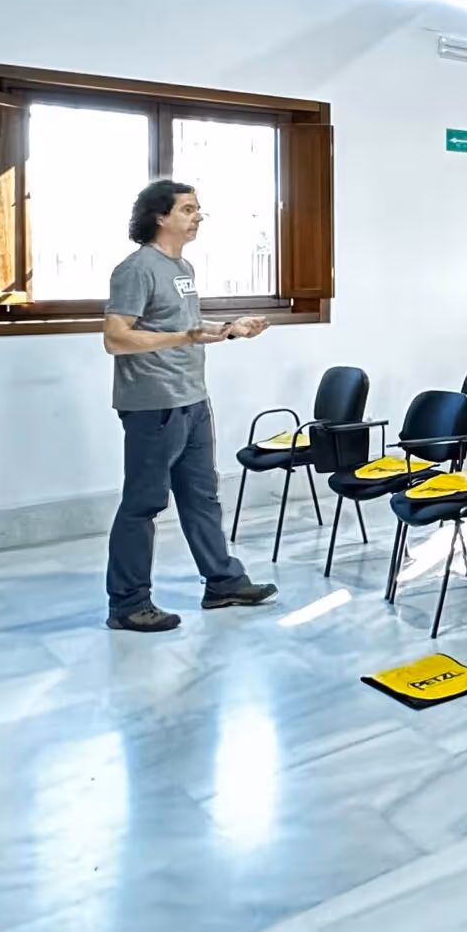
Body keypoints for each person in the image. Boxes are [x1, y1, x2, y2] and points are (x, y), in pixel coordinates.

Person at [99, 181, 281, 632]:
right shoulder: (136, 268)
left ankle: (223, 583)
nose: (197, 216)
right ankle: (127, 604)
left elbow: (182, 325)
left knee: (202, 497)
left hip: (192, 399)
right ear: (160, 217)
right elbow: (116, 337)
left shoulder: (182, 267)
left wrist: (229, 328)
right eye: (187, 209)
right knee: (143, 504)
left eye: (198, 209)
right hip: (153, 403)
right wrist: (184, 337)